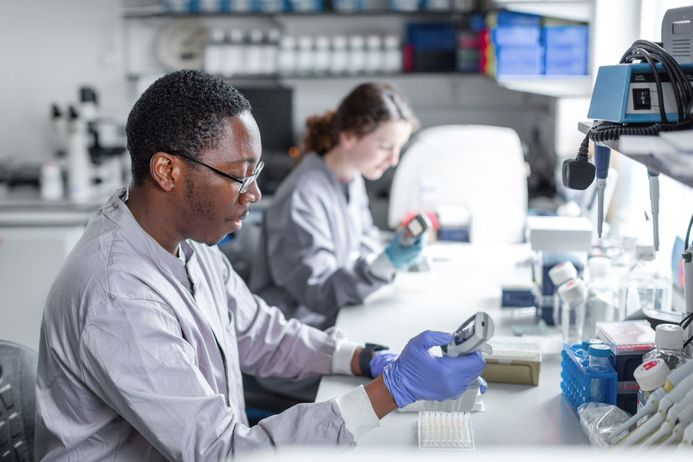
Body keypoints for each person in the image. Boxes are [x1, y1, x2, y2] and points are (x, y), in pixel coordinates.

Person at [34, 70, 485, 461]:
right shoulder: (119, 295)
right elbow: (222, 453)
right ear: (168, 171)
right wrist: (392, 391)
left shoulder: (188, 246)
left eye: (256, 173)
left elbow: (261, 334)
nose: (254, 194)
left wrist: (361, 357)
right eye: (238, 175)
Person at [249, 83, 424, 332]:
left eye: (399, 148)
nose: (393, 160)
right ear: (348, 137)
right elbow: (320, 293)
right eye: (385, 147)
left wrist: (394, 256)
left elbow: (365, 240)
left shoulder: (351, 178)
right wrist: (386, 264)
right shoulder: (302, 196)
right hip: (296, 336)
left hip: (335, 318)